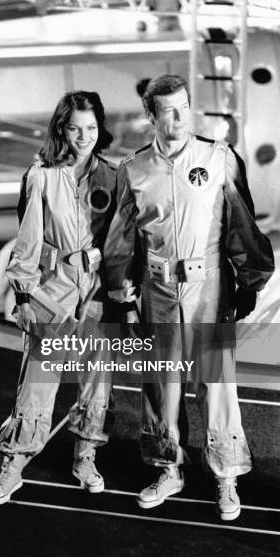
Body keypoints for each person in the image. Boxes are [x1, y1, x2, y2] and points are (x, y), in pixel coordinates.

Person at [104, 74, 274, 521]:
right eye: (167, 110)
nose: (178, 117)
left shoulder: (218, 159)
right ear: (150, 115)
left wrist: (248, 281)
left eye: (183, 107)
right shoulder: (133, 170)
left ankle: (225, 476)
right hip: (157, 292)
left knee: (216, 385)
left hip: (209, 288)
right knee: (162, 386)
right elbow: (122, 241)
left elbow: (241, 224)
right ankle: (168, 468)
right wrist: (123, 294)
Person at [0, 90, 118, 506]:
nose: (84, 137)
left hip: (96, 292)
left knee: (97, 381)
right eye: (75, 128)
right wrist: (24, 296)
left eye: (92, 128)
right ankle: (14, 464)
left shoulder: (114, 176)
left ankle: (85, 455)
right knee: (38, 382)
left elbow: (121, 240)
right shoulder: (41, 175)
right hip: (52, 290)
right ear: (62, 127)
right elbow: (28, 240)